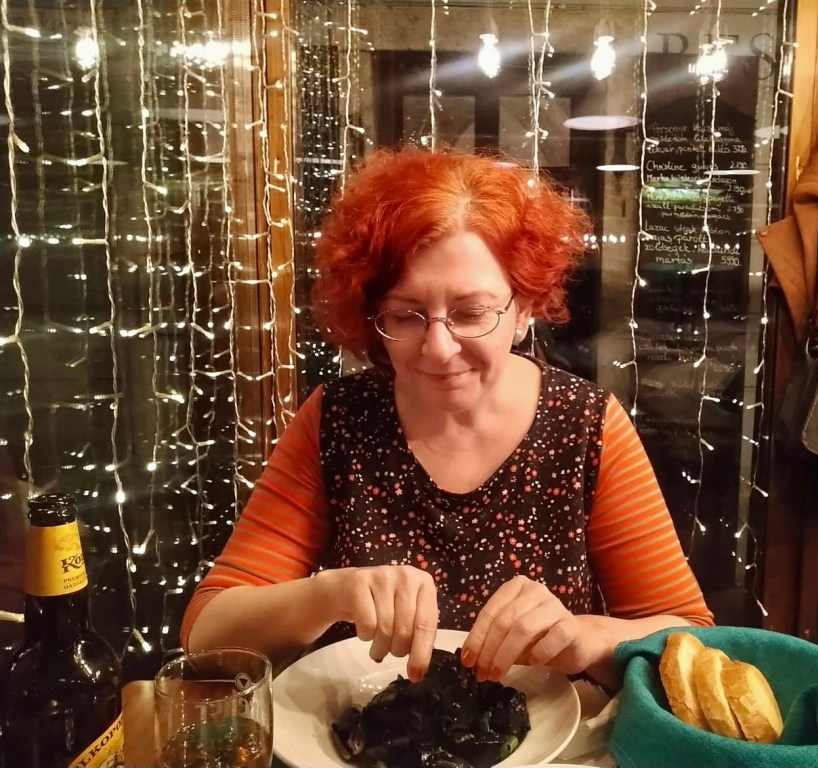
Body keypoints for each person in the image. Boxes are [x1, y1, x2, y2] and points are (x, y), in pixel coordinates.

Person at [181, 148, 713, 690]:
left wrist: (587, 638)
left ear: (524, 309)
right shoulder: (337, 418)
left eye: (472, 312)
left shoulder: (586, 425)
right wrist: (327, 595)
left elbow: (692, 636)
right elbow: (205, 637)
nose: (438, 349)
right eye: (406, 315)